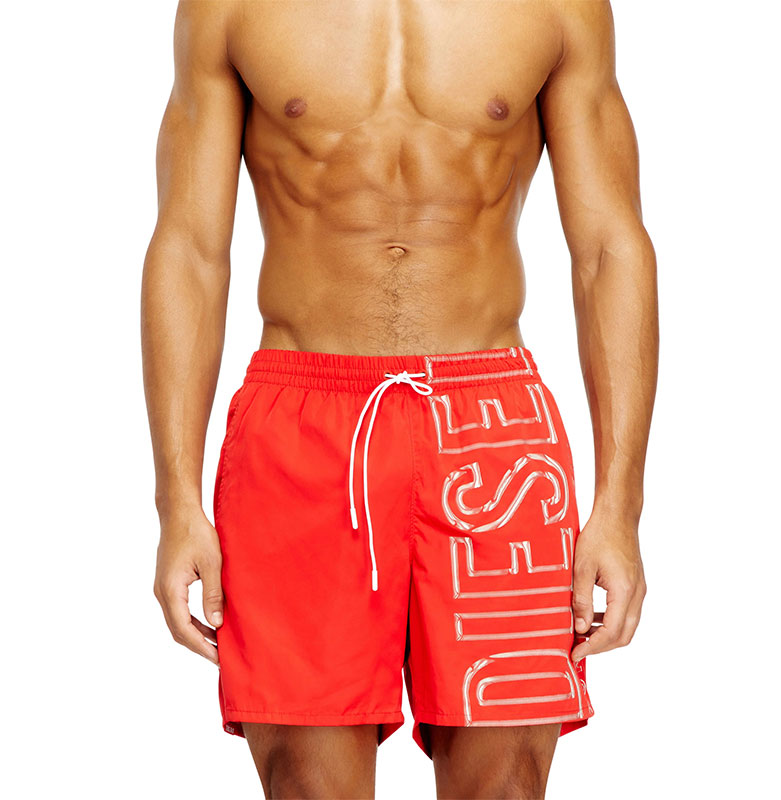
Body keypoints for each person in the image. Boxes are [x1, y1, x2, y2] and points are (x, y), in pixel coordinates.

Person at [141, 1, 658, 797]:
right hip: (302, 427)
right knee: (305, 780)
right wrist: (176, 502)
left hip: (488, 429)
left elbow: (608, 247)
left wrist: (620, 508)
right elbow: (190, 248)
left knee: (507, 783)